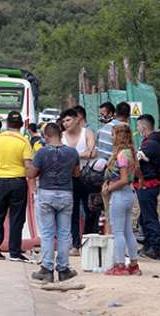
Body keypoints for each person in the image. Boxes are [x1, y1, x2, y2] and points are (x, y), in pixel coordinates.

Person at [27, 123, 80, 283]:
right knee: (64, 233)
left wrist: (28, 166)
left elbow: (32, 173)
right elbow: (76, 173)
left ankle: (47, 269)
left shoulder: (42, 153)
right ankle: (63, 269)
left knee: (48, 233)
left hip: (46, 193)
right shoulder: (72, 152)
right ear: (61, 135)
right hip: (66, 194)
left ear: (46, 136)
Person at [0, 111, 34, 262]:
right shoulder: (24, 141)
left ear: (6, 124)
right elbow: (27, 164)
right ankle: (14, 252)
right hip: (18, 181)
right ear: (21, 125)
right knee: (16, 218)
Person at [101, 125, 142, 276]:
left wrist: (109, 188)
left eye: (113, 135)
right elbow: (134, 175)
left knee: (118, 232)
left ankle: (119, 264)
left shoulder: (121, 155)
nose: (111, 137)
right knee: (127, 231)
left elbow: (124, 179)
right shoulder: (131, 153)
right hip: (129, 194)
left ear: (118, 136)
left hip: (119, 195)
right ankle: (133, 263)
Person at [61, 107, 98, 254]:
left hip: (87, 177)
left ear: (77, 119)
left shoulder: (86, 133)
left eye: (68, 120)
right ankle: (75, 245)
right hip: (69, 178)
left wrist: (73, 155)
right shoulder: (62, 136)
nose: (66, 123)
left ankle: (89, 243)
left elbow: (93, 151)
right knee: (73, 212)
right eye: (63, 121)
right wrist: (79, 155)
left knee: (91, 210)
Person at [135, 114, 160, 260]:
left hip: (148, 185)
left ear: (144, 127)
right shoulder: (151, 141)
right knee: (144, 217)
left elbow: (137, 159)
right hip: (146, 185)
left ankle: (154, 248)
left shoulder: (151, 144)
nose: (137, 128)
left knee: (150, 217)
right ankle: (148, 245)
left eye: (138, 126)